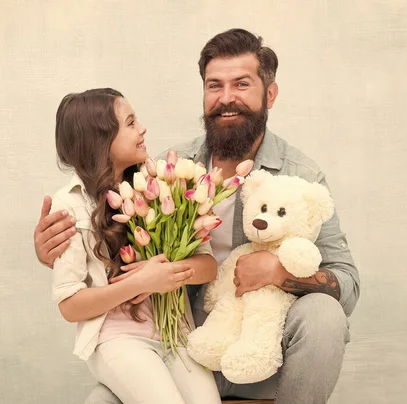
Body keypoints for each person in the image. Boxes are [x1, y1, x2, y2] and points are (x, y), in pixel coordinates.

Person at [34, 29, 360, 404]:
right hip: (177, 340)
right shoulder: (170, 171)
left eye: (241, 84)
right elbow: (107, 227)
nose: (226, 99)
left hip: (257, 349)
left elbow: (348, 285)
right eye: (214, 86)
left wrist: (280, 273)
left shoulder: (301, 175)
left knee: (325, 315)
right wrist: (56, 248)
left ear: (270, 94)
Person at [46, 88, 221, 404]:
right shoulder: (69, 206)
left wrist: (167, 273)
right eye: (130, 123)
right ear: (101, 140)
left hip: (176, 335)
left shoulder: (165, 187)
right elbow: (69, 305)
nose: (142, 129)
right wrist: (139, 283)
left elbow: (208, 267)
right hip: (118, 339)